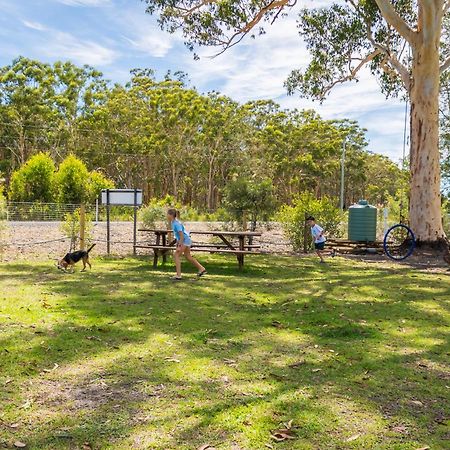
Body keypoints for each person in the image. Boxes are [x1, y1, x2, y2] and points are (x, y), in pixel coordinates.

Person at [167, 208, 207, 280]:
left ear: (171, 215)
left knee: (176, 255)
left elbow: (181, 235)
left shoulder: (176, 223)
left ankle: (178, 275)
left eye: (167, 214)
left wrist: (179, 245)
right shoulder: (173, 222)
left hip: (185, 240)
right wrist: (178, 243)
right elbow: (178, 236)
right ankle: (202, 269)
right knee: (188, 256)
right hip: (185, 240)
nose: (166, 216)